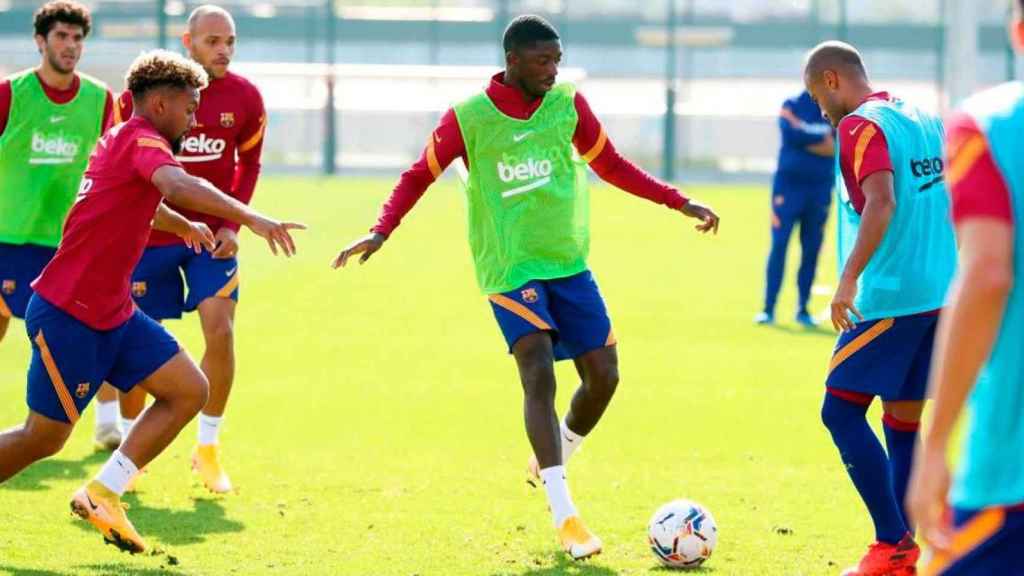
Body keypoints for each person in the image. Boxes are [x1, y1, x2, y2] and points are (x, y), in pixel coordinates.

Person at [333, 15, 719, 561]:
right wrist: (381, 229)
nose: (552, 70)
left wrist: (677, 200)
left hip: (567, 262)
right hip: (510, 267)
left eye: (557, 60)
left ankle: (554, 454)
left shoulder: (567, 105)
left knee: (604, 377)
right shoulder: (468, 118)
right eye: (542, 60)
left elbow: (609, 164)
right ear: (512, 59)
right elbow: (419, 173)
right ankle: (565, 513)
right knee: (536, 369)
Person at [0, 49, 302, 554]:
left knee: (188, 389)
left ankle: (102, 492)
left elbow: (131, 197)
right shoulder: (142, 138)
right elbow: (178, 182)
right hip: (70, 314)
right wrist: (251, 217)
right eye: (189, 107)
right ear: (160, 103)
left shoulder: (121, 141)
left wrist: (179, 223)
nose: (194, 117)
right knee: (44, 439)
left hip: (113, 312)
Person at [803, 41, 957, 576]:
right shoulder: (921, 115)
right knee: (903, 419)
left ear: (830, 79)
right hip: (939, 291)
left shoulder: (859, 127)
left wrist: (847, 280)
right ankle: (910, 547)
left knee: (840, 410)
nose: (821, 112)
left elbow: (883, 200)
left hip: (890, 295)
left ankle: (891, 542)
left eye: (816, 97)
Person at [114, 4, 266, 494]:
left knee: (219, 332)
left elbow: (249, 165)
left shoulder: (246, 98)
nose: (222, 50)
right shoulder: (145, 100)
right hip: (150, 236)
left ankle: (207, 448)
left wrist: (232, 226)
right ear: (188, 42)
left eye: (230, 42)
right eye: (212, 41)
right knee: (140, 344)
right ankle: (128, 452)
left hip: (211, 239)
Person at [906, 3, 1024, 574]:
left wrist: (935, 443)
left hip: (1011, 478)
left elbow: (986, 275)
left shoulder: (990, 123)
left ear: (1017, 31)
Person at [0, 0, 126, 451]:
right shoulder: (9, 94)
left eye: (77, 39)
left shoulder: (99, 100)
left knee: (96, 322)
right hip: (9, 237)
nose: (71, 46)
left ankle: (108, 423)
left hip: (71, 243)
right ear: (40, 41)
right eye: (61, 37)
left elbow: (115, 163)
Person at [755, 90, 834, 327]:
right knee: (779, 245)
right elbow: (790, 135)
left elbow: (835, 145)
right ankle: (768, 309)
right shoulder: (791, 104)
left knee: (811, 249)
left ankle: (803, 308)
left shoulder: (833, 106)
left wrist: (806, 141)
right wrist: (820, 141)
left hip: (819, 189)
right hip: (788, 188)